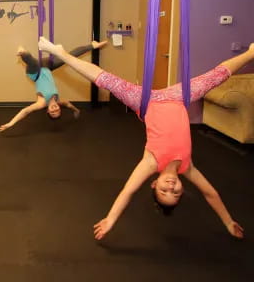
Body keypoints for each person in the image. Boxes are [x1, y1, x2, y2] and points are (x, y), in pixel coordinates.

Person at [38, 37, 252, 240]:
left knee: (106, 80)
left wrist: (110, 219)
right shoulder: (187, 167)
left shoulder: (150, 163)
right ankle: (251, 52)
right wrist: (228, 222)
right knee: (215, 77)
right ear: (182, 189)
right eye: (175, 193)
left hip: (146, 102)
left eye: (163, 190)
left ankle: (60, 53)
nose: (170, 187)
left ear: (154, 184)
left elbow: (128, 191)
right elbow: (210, 193)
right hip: (178, 98)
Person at [0, 40, 107, 132]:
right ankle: (93, 45)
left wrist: (10, 123)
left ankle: (22, 52)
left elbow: (25, 111)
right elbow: (69, 105)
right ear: (59, 108)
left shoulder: (42, 103)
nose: (55, 109)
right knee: (68, 57)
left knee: (31, 61)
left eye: (52, 112)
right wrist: (76, 110)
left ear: (48, 111)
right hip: (47, 67)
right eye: (57, 111)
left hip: (35, 73)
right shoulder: (59, 101)